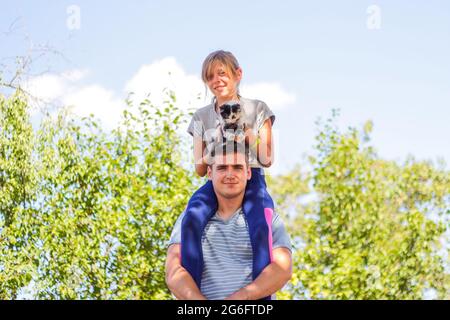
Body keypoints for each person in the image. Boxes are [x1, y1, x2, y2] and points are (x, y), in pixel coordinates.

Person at [179, 50, 279, 299]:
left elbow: (267, 159)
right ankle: (194, 292)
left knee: (260, 225)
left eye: (222, 73)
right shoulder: (202, 116)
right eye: (210, 77)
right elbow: (200, 168)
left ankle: (259, 296)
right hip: (216, 179)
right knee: (191, 217)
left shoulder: (258, 109)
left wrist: (244, 130)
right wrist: (217, 143)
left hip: (250, 177)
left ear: (238, 74)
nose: (216, 80)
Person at [165, 141, 292, 300]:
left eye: (237, 167)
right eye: (222, 168)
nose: (230, 174)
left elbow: (283, 269)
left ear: (248, 173)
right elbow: (173, 272)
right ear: (210, 173)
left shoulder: (269, 219)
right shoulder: (188, 218)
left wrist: (239, 299)